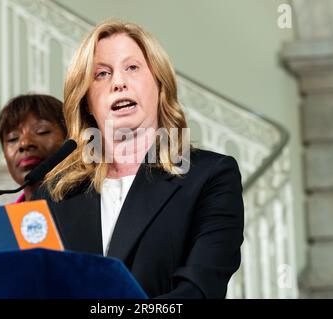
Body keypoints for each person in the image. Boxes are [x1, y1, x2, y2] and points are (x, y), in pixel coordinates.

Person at [34, 20, 244, 298]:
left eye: (132, 68)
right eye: (101, 74)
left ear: (159, 84)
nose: (119, 82)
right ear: (87, 101)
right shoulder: (55, 193)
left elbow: (199, 291)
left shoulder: (211, 176)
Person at [0, 94, 67, 202]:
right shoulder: (4, 218)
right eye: (13, 138)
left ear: (70, 138)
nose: (24, 143)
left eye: (41, 131)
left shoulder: (96, 202)